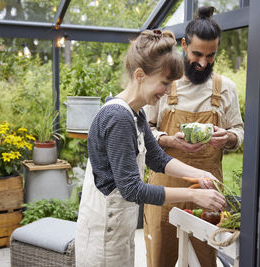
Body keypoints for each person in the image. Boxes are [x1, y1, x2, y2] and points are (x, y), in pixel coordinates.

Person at [74, 29, 227, 267]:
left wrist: (200, 174)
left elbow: (158, 159)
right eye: (164, 83)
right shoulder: (117, 117)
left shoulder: (136, 113)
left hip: (116, 231)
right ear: (140, 75)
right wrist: (193, 194)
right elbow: (132, 190)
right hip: (102, 237)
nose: (167, 91)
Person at [143, 6, 244, 267]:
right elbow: (143, 130)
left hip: (208, 194)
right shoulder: (164, 85)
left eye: (211, 56)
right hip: (166, 190)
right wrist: (167, 139)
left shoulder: (226, 89)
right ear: (184, 45)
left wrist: (229, 138)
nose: (202, 63)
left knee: (204, 260)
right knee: (160, 260)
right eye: (197, 54)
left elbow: (239, 132)